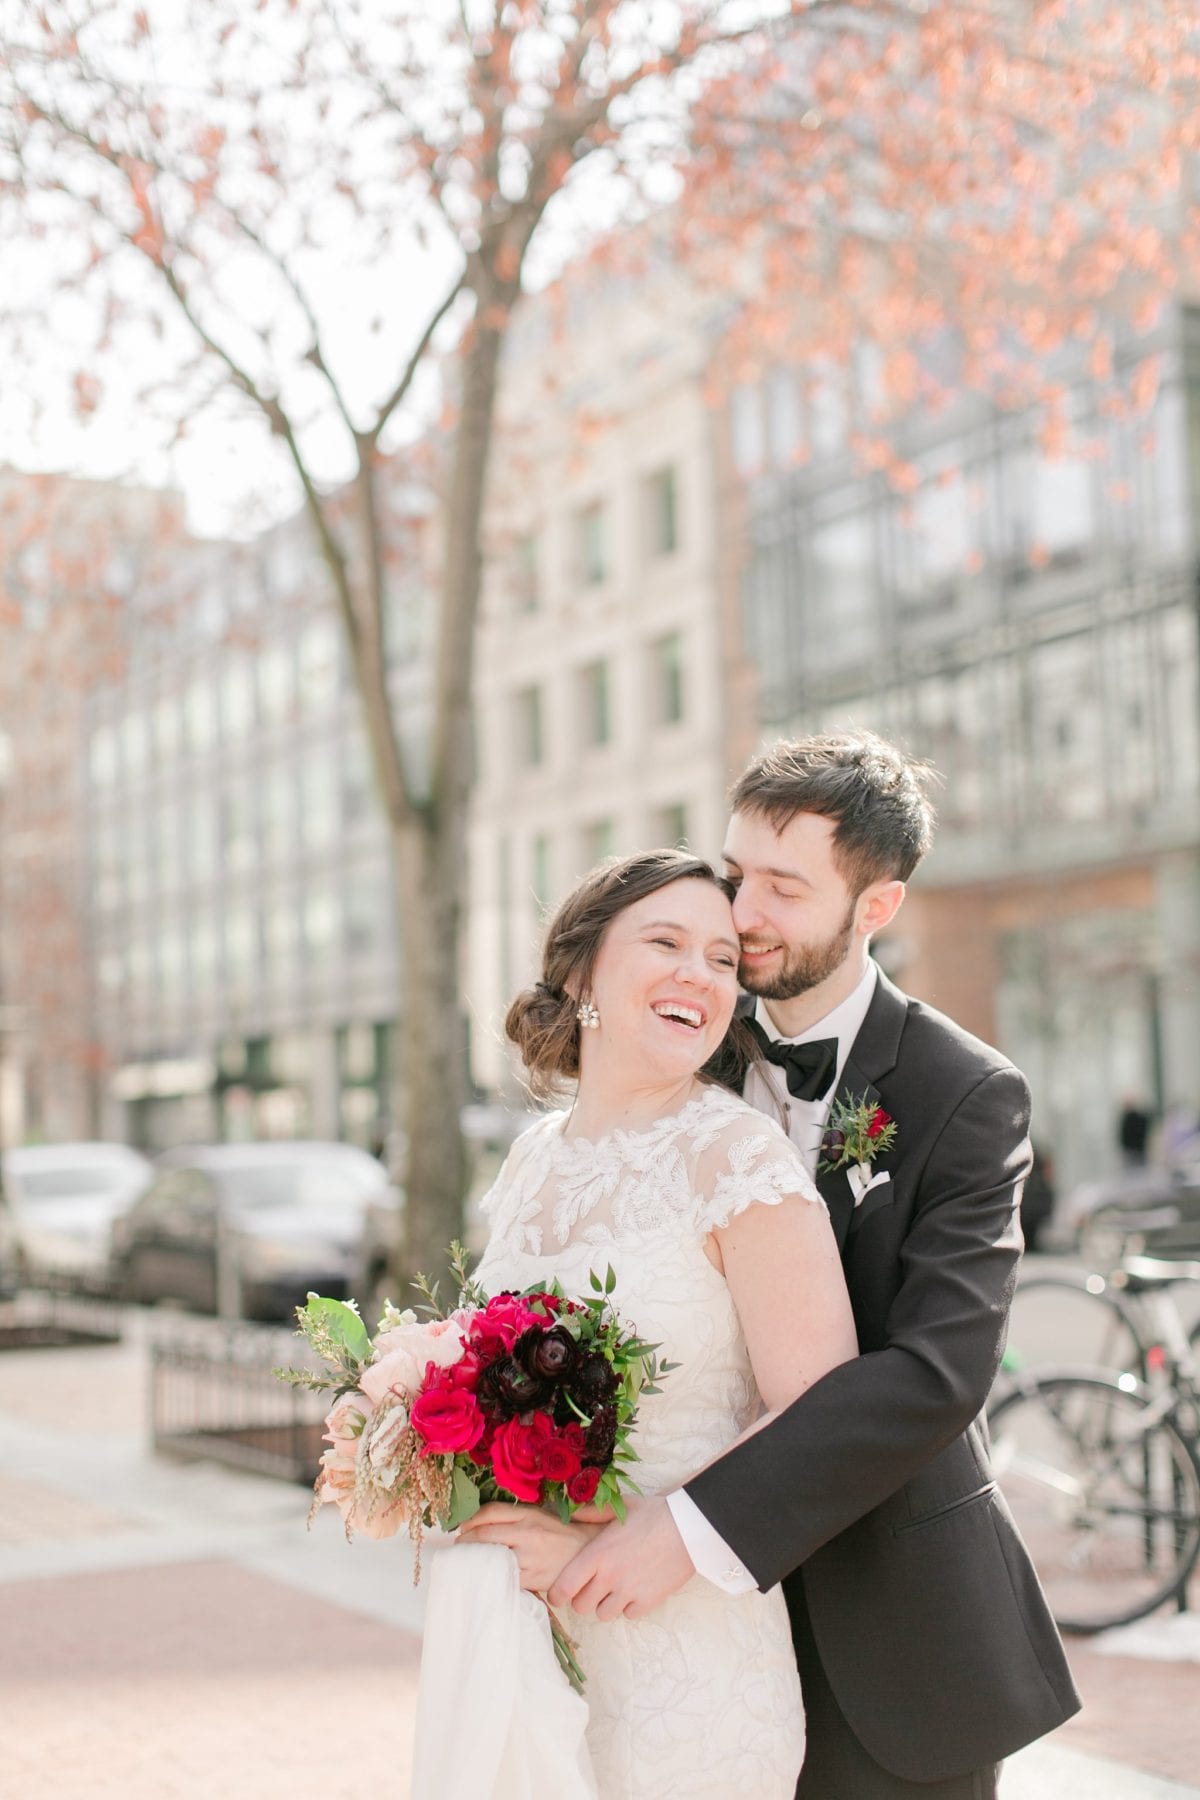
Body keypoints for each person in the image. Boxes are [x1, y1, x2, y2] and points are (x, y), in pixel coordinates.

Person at [547, 733, 1080, 1800]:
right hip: (677, 1652)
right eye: (737, 872)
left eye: (782, 888)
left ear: (874, 907)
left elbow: (935, 1373)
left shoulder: (965, 1094)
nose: (739, 915)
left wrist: (694, 1530)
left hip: (891, 1634)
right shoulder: (685, 1034)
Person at [452, 847, 859, 1796]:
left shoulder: (736, 1158)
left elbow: (823, 1415)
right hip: (525, 1632)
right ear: (583, 971)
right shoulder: (532, 1158)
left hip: (686, 1655)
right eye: (666, 942)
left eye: (723, 960)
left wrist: (624, 1536)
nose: (700, 975)